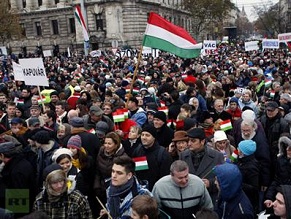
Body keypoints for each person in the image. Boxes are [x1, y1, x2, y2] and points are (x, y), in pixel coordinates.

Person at [179, 128, 224, 203]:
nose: (189, 143)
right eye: (188, 140)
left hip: (208, 199)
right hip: (189, 199)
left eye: (193, 141)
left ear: (202, 141)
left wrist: (210, 183)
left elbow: (223, 178)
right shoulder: (183, 155)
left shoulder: (217, 156)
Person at [0, 141, 36, 217]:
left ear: (2, 155)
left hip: (20, 210)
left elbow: (19, 199)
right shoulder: (22, 161)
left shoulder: (15, 171)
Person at [131, 125, 172, 190]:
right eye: (142, 135)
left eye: (147, 135)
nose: (144, 137)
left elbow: (165, 177)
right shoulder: (138, 151)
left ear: (154, 138)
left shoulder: (162, 154)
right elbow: (137, 171)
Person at [94, 132, 130, 205]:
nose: (106, 146)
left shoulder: (123, 158)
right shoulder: (101, 152)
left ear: (116, 144)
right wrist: (97, 185)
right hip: (101, 188)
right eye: (105, 143)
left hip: (115, 190)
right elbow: (97, 170)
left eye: (109, 144)